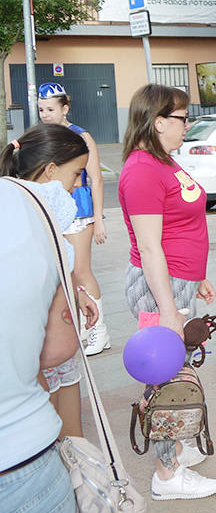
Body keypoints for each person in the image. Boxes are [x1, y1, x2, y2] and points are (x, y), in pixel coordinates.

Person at [1, 124, 97, 513]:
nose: (79, 185)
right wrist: (70, 305)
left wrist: (73, 290)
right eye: (77, 174)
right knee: (63, 449)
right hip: (34, 379)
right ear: (50, 169)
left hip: (33, 370)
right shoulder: (42, 213)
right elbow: (55, 346)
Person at [118, 84, 216, 501]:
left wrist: (196, 277)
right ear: (159, 122)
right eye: (182, 118)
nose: (187, 125)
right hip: (158, 288)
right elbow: (149, 247)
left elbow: (181, 225)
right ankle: (167, 474)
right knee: (165, 381)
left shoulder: (162, 162)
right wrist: (167, 309)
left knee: (176, 373)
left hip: (177, 282)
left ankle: (176, 449)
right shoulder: (143, 170)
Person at [37, 82, 111, 356]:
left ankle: (99, 330)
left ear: (65, 109)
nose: (45, 115)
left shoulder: (81, 136)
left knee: (81, 270)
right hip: (53, 211)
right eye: (41, 109)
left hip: (80, 211)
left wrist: (98, 219)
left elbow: (97, 179)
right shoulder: (43, 136)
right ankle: (84, 326)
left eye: (50, 109)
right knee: (65, 271)